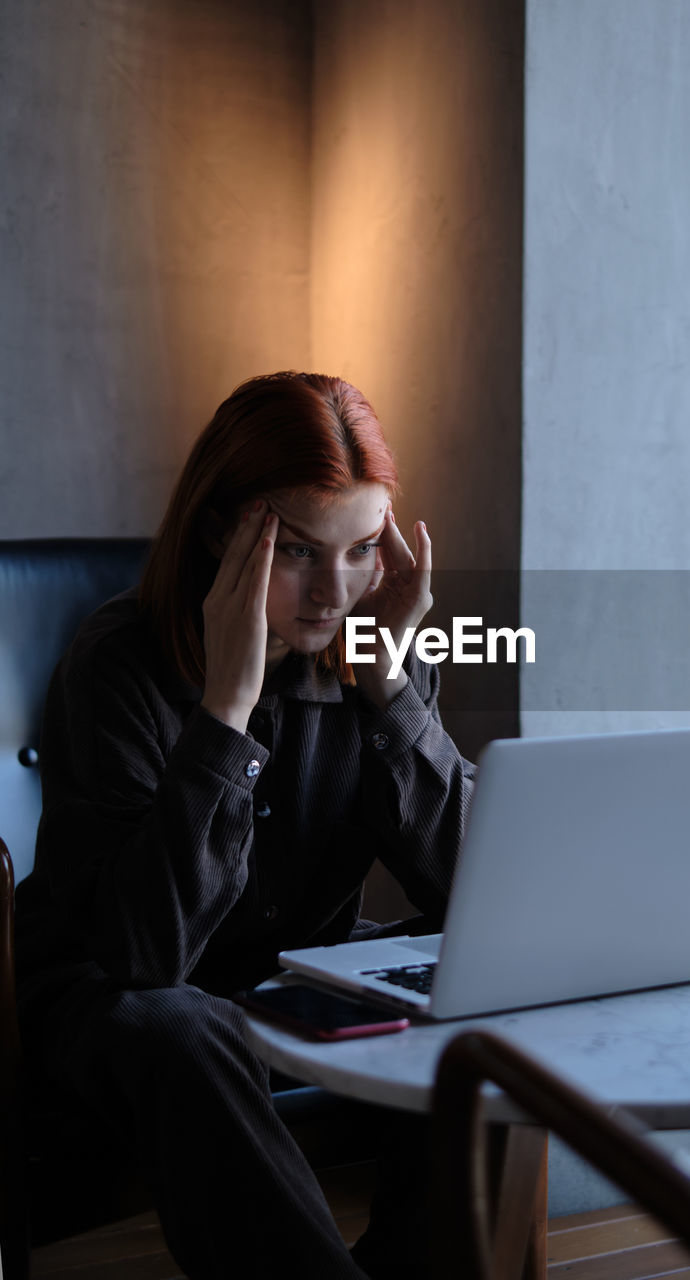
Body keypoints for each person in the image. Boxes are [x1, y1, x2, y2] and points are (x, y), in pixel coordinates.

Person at [14, 371, 476, 1279]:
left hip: (288, 973)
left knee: (482, 966)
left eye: (360, 551)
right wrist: (225, 710)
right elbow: (146, 955)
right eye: (299, 552)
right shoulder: (121, 662)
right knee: (184, 1024)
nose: (332, 593)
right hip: (107, 992)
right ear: (224, 531)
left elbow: (471, 887)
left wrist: (389, 693)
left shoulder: (373, 652)